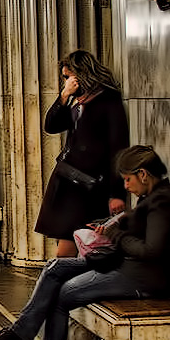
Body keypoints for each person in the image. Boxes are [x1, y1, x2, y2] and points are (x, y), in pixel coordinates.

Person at [0, 146, 170, 340]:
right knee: (55, 267)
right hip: (124, 265)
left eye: (128, 179)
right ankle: (19, 334)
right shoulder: (150, 197)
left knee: (62, 294)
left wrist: (117, 235)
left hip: (143, 279)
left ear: (143, 174)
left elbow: (153, 251)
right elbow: (137, 232)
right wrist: (114, 223)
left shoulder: (163, 202)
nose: (126, 185)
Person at [37, 50, 129, 257]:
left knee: (70, 248)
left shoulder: (106, 100)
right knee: (67, 243)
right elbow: (51, 126)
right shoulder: (77, 101)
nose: (66, 82)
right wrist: (64, 96)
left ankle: (65, 286)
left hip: (90, 185)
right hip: (68, 182)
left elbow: (118, 148)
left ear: (82, 74)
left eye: (67, 77)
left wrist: (117, 193)